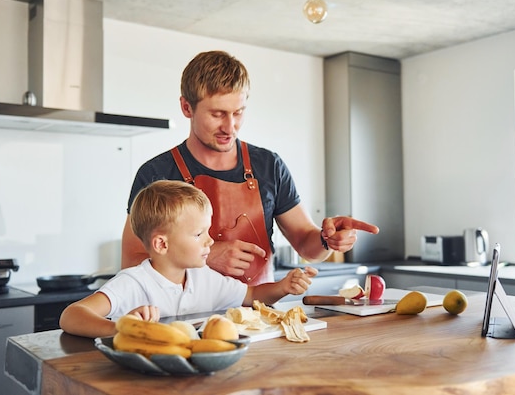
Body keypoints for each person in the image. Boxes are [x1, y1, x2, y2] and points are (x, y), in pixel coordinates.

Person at [121, 50, 379, 285]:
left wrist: (327, 239)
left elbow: (306, 245)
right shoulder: (156, 174)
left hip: (260, 318)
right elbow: (132, 263)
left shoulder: (269, 166)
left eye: (238, 112)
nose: (230, 127)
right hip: (187, 322)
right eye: (217, 114)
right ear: (186, 107)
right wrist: (205, 257)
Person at [60, 180, 317, 338]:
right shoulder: (133, 282)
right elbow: (72, 315)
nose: (210, 241)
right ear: (162, 244)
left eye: (207, 231)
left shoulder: (203, 277)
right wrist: (121, 328)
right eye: (198, 234)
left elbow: (251, 295)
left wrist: (283, 287)